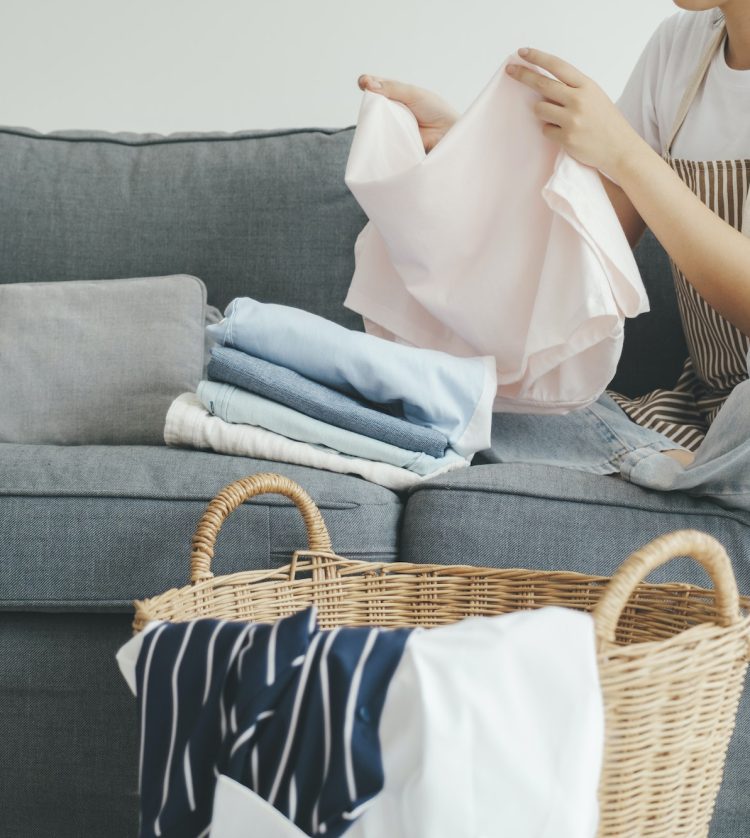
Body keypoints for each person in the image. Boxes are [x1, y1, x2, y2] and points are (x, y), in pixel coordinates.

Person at [355, 3, 750, 511]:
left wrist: (628, 155)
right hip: (697, 415)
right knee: (472, 400)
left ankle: (654, 464)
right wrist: (465, 151)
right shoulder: (678, 50)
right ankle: (661, 461)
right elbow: (590, 241)